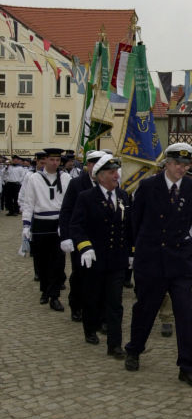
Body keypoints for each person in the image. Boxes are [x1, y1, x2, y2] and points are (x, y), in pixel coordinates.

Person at [124, 142, 192, 385]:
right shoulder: (148, 186)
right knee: (145, 309)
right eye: (177, 164)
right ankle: (134, 349)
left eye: (185, 164)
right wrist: (135, 253)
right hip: (152, 260)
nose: (181, 168)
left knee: (184, 314)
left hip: (180, 260)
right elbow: (135, 222)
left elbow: (188, 219)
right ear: (166, 164)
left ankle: (186, 365)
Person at [70, 154, 132, 358]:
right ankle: (90, 329)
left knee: (115, 303)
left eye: (117, 172)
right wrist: (84, 247)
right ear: (101, 176)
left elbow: (129, 227)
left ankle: (114, 345)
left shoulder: (124, 196)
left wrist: (131, 252)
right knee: (92, 298)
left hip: (116, 261)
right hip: (93, 259)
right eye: (112, 172)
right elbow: (76, 226)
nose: (117, 175)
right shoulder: (86, 197)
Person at [21, 148, 71, 311]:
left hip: (58, 223)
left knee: (58, 262)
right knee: (41, 261)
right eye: (52, 160)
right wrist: (26, 225)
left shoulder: (65, 178)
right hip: (41, 223)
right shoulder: (34, 178)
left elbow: (69, 203)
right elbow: (29, 202)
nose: (55, 163)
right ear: (45, 160)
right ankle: (44, 290)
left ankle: (54, 296)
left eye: (58, 160)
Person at [59, 150, 104, 322]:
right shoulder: (77, 184)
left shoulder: (109, 183)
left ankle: (97, 309)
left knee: (99, 275)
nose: (95, 168)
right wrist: (65, 236)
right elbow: (66, 211)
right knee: (79, 274)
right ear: (88, 166)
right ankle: (76, 304)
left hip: (100, 239)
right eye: (92, 164)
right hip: (80, 237)